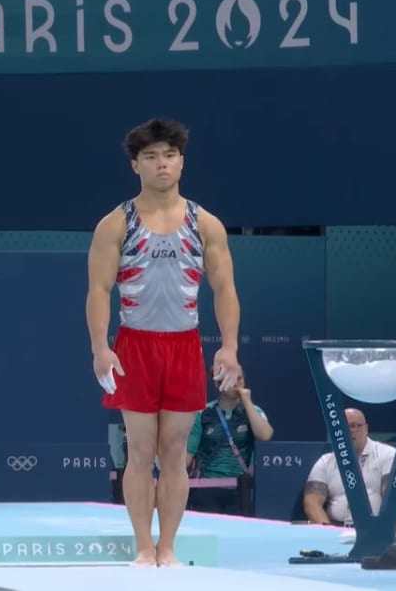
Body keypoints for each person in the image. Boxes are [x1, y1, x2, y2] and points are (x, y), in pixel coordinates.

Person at [86, 118, 243, 567]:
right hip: (134, 345)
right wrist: (101, 346)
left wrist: (229, 346)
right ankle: (142, 546)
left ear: (181, 163)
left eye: (169, 156)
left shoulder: (205, 223)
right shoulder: (115, 224)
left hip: (183, 346)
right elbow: (98, 290)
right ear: (136, 165)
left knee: (174, 452)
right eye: (151, 157)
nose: (161, 164)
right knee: (140, 450)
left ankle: (168, 548)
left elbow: (225, 288)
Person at [187, 376, 271, 515]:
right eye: (232, 379)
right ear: (218, 383)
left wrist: (247, 402)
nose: (237, 383)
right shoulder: (203, 413)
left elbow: (265, 435)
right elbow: (187, 455)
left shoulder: (253, 411)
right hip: (206, 490)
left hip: (240, 491)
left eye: (240, 378)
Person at [303, 408, 395, 526]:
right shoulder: (326, 461)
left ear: (365, 429)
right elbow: (312, 502)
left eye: (354, 426)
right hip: (335, 527)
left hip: (375, 527)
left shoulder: (387, 454)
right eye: (343, 427)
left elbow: (392, 497)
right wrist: (328, 531)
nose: (349, 431)